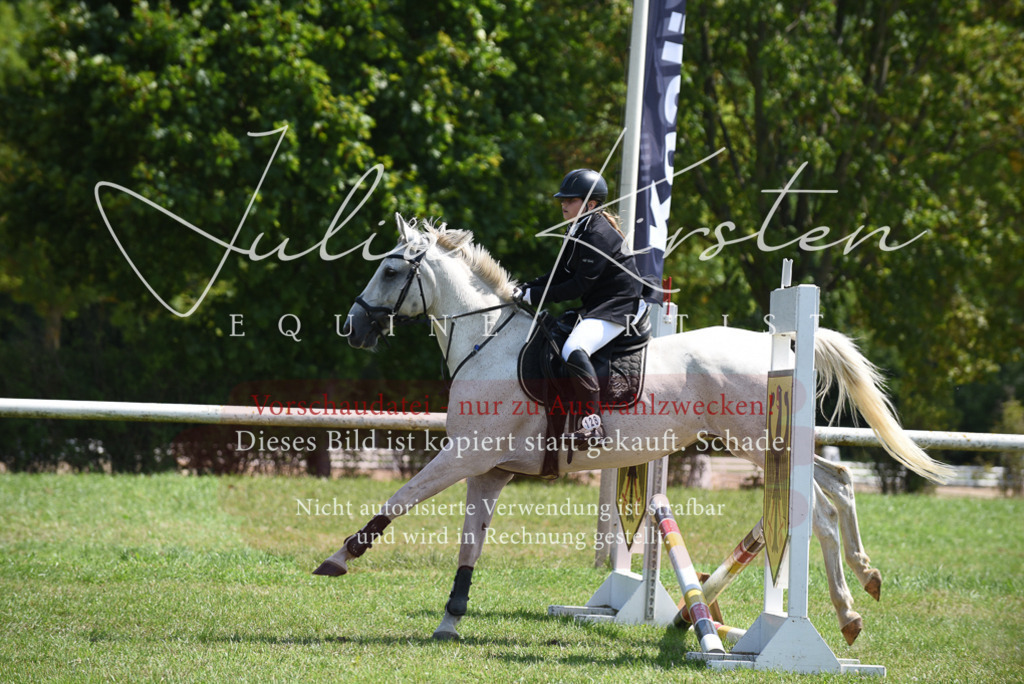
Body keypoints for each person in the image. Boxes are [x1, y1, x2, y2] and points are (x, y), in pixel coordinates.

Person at [513, 169, 646, 448]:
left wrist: (535, 295)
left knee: (574, 347)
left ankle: (593, 426)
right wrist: (525, 287)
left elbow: (577, 286)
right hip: (599, 304)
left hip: (618, 306)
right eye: (563, 199)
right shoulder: (578, 228)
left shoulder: (598, 234)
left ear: (590, 204)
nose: (564, 204)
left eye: (571, 200)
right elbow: (559, 273)